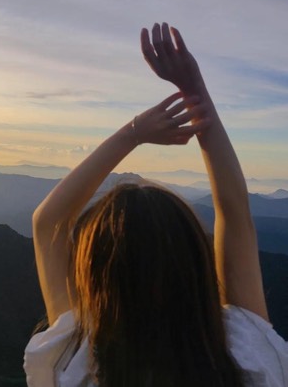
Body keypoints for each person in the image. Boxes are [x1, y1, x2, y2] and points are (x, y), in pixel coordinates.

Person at [23, 23, 288, 387]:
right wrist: (194, 92)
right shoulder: (247, 358)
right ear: (195, 264)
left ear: (93, 274)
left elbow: (47, 223)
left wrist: (133, 133)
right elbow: (234, 212)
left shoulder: (74, 363)